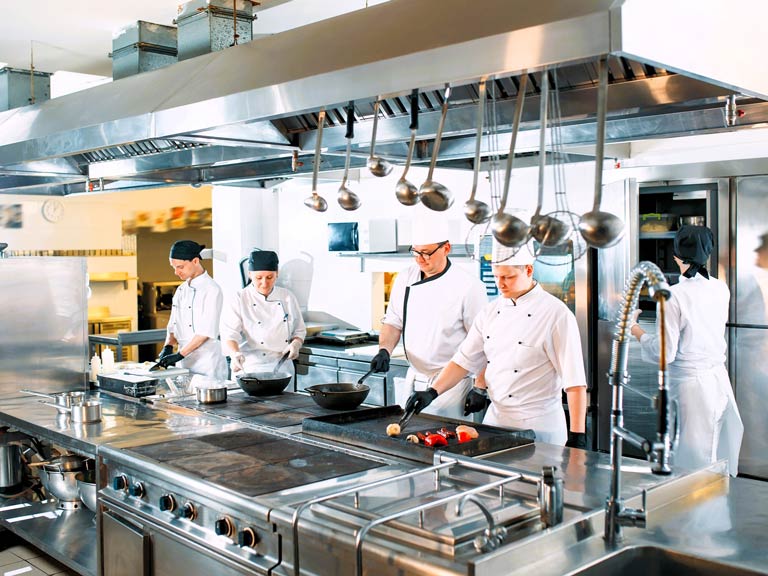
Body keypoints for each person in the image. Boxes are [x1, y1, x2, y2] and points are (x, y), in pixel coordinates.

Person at [405, 239, 588, 447]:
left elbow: (575, 383)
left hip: (540, 426)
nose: (500, 284)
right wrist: (432, 392)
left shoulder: (556, 314)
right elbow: (462, 361)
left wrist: (577, 434)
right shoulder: (489, 313)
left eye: (508, 277)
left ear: (528, 270)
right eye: (496, 276)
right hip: (496, 421)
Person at [630, 225, 743, 476]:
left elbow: (664, 353)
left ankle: (697, 514)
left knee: (692, 465)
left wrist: (635, 329)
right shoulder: (719, 288)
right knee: (715, 456)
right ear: (708, 254)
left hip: (692, 387)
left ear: (676, 256)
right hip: (718, 381)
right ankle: (714, 510)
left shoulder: (671, 296)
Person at [370, 218, 488, 419]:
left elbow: (482, 342)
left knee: (443, 441)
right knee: (407, 438)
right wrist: (384, 350)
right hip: (414, 377)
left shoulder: (468, 286)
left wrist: (480, 386)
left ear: (446, 248)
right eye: (415, 252)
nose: (420, 259)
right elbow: (393, 321)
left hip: (451, 384)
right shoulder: (406, 277)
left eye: (426, 253)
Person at [221, 250, 306, 375]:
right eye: (259, 278)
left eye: (269, 277)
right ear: (250, 274)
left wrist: (296, 344)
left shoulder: (287, 297)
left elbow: (299, 330)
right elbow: (229, 334)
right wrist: (234, 354)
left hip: (282, 364)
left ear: (277, 274)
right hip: (249, 365)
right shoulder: (239, 298)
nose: (264, 283)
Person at [156, 240, 228, 380]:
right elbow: (173, 325)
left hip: (207, 364)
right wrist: (168, 346)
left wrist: (179, 354)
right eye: (174, 267)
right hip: (183, 363)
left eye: (180, 267)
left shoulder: (212, 290)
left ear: (195, 261)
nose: (176, 272)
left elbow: (205, 332)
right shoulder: (181, 290)